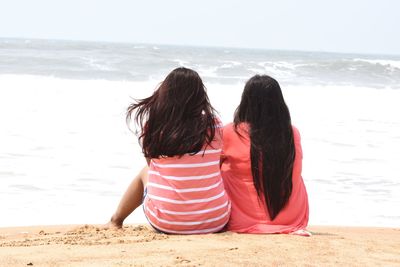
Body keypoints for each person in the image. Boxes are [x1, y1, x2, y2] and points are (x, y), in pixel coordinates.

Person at [108, 67, 230, 234]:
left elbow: (152, 167)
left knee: (146, 171)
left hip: (167, 222)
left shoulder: (154, 127)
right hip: (215, 221)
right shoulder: (214, 125)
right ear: (200, 96)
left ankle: (116, 221)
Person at [220, 75, 309, 235]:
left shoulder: (230, 132)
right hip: (291, 218)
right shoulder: (291, 133)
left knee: (223, 169)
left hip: (241, 220)